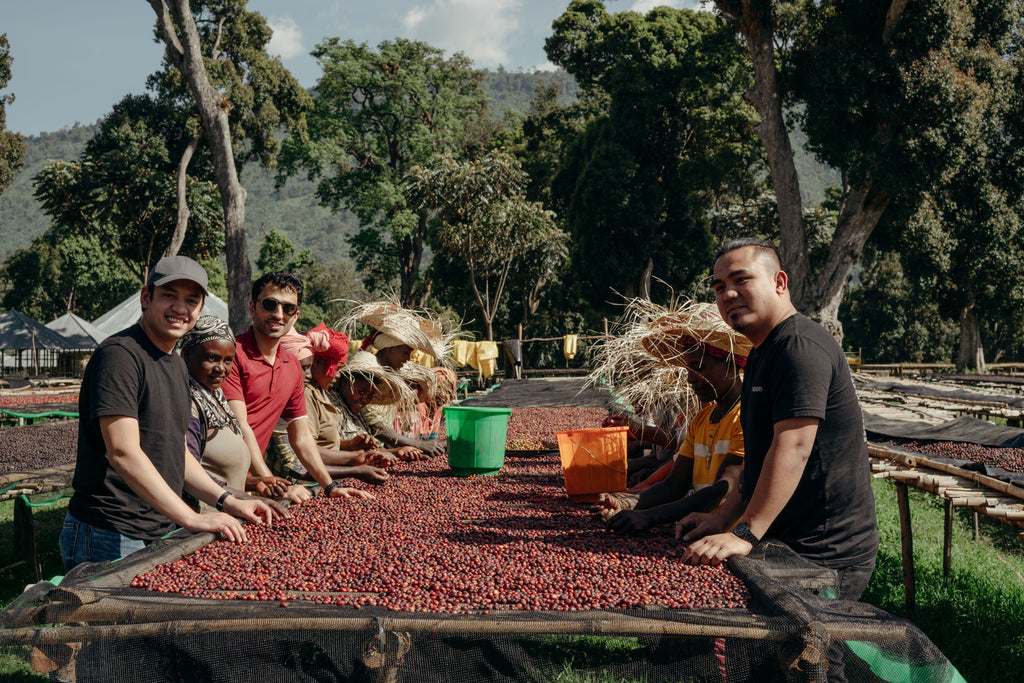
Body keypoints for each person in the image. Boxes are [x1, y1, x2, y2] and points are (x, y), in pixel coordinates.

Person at [678, 237, 878, 602]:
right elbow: (758, 460)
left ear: (779, 282)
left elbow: (794, 448)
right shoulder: (760, 355)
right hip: (785, 539)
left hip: (824, 553)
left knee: (809, 654)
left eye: (741, 280)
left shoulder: (799, 348)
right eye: (720, 287)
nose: (728, 294)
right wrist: (723, 519)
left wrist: (745, 534)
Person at [60, 256, 275, 571]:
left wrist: (228, 500)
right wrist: (190, 517)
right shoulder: (120, 356)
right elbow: (123, 452)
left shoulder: (175, 364)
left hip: (158, 526)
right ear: (146, 298)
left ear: (200, 309)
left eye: (191, 300)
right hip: (109, 529)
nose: (180, 308)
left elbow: (176, 452)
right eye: (169, 295)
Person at [597, 305, 749, 535]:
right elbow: (674, 485)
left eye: (698, 367)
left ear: (729, 362)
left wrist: (650, 516)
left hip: (728, 531)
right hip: (693, 526)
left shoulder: (747, 416)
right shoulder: (702, 419)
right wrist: (628, 504)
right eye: (687, 369)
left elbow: (722, 489)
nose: (691, 379)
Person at [221, 272, 370, 501]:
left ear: (296, 316)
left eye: (288, 308)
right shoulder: (232, 354)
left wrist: (330, 487)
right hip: (215, 478)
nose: (278, 314)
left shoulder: (291, 366)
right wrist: (272, 481)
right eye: (270, 305)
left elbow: (301, 438)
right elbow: (240, 426)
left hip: (250, 483)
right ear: (253, 308)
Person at [180, 316, 300, 508]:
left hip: (227, 518)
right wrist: (250, 499)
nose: (221, 368)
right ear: (187, 354)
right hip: (201, 522)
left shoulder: (215, 398)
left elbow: (220, 475)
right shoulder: (186, 403)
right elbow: (188, 474)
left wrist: (256, 482)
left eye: (228, 360)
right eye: (212, 358)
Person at [345, 300, 450, 457]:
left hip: (380, 452)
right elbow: (376, 427)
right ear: (391, 348)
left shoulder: (389, 374)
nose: (407, 359)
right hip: (364, 453)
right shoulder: (370, 372)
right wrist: (420, 444)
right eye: (405, 353)